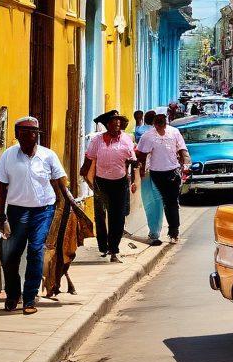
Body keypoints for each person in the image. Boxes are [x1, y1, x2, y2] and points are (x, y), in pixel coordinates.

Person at [0, 116, 89, 314]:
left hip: (43, 211)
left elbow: (61, 182)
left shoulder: (48, 156)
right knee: (10, 256)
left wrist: (73, 205)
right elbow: (1, 188)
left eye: (34, 134)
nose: (31, 138)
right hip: (16, 212)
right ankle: (13, 295)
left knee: (36, 251)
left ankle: (29, 299)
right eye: (26, 134)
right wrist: (1, 217)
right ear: (17, 136)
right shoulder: (8, 156)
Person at [80, 110, 136, 262]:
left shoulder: (126, 139)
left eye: (119, 121)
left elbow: (131, 159)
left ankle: (114, 250)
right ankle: (103, 246)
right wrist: (84, 173)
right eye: (114, 121)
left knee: (117, 217)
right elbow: (89, 159)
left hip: (120, 182)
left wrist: (132, 179)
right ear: (107, 125)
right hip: (101, 182)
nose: (117, 123)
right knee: (100, 215)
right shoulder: (97, 141)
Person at [136, 111, 190, 243]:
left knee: (171, 202)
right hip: (155, 174)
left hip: (172, 172)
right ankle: (156, 231)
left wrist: (185, 164)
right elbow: (141, 155)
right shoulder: (148, 136)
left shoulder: (174, 132)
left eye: (162, 123)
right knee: (159, 202)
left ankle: (174, 231)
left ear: (165, 123)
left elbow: (182, 149)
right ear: (154, 124)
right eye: (158, 124)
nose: (161, 127)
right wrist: (142, 171)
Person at [136, 111, 164, 245]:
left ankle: (153, 231)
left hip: (146, 172)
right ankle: (155, 231)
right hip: (158, 170)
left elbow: (139, 153)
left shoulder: (141, 131)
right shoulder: (160, 134)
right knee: (157, 200)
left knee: (148, 200)